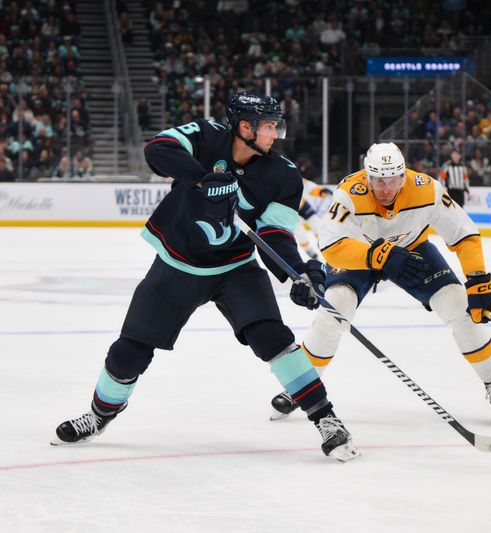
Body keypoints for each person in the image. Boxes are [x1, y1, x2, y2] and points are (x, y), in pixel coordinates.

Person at [51, 92, 359, 462]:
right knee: (129, 352)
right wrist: (202, 179)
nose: (275, 134)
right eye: (268, 126)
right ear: (245, 127)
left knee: (272, 337)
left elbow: (275, 233)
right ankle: (100, 416)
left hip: (235, 269)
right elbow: (158, 149)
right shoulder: (206, 136)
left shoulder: (284, 175)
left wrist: (295, 274)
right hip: (177, 264)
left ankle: (326, 419)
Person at [269, 142, 491, 422]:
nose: (386, 188)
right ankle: (301, 388)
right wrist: (376, 255)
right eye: (378, 180)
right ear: (367, 176)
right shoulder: (350, 193)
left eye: (392, 180)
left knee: (458, 304)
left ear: (404, 176)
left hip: (412, 250)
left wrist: (478, 281)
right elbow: (329, 244)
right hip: (360, 254)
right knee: (333, 311)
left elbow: (464, 234)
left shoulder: (427, 189)